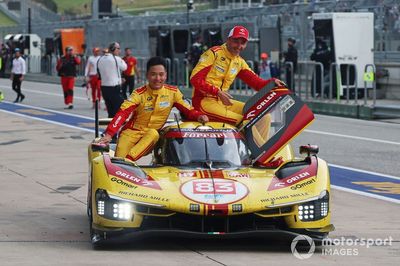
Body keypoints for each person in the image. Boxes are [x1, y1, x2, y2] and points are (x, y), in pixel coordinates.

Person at [97, 56, 208, 161]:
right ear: (147, 75)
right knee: (117, 163)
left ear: (166, 75)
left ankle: (128, 161)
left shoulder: (173, 93)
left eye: (161, 75)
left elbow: (188, 110)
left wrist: (199, 116)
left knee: (153, 133)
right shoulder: (138, 93)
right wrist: (109, 134)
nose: (157, 78)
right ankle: (124, 162)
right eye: (153, 74)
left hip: (151, 137)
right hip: (130, 133)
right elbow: (123, 113)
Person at [190, 25, 285, 126]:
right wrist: (217, 92)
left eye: (243, 43)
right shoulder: (213, 53)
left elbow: (257, 83)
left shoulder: (239, 62)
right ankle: (256, 141)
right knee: (246, 122)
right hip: (203, 102)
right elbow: (195, 79)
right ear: (228, 40)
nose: (239, 46)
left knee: (263, 116)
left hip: (223, 103)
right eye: (236, 41)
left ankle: (261, 142)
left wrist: (272, 82)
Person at [96, 42, 127, 118]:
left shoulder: (100, 59)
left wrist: (119, 79)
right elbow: (125, 67)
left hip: (104, 88)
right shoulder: (116, 58)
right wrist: (120, 59)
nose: (119, 51)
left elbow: (105, 73)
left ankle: (111, 128)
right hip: (114, 88)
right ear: (113, 49)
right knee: (122, 108)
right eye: (118, 48)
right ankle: (116, 127)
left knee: (110, 111)